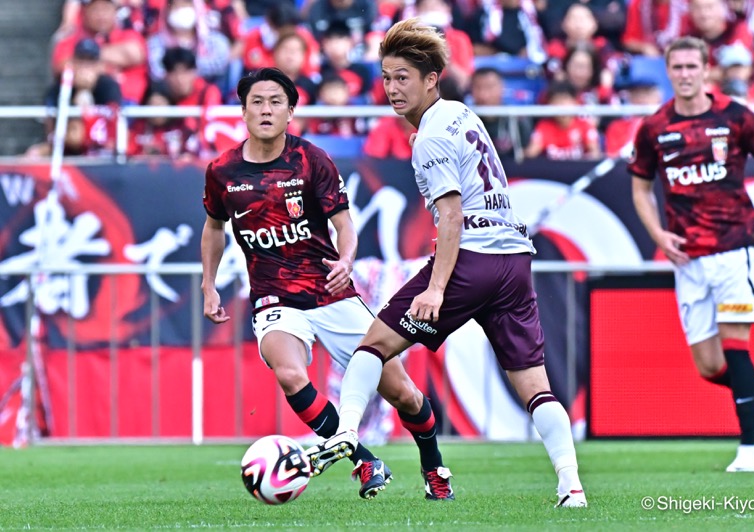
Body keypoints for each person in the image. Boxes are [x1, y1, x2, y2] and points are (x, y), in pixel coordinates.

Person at [305, 18, 587, 508]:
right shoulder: (459, 113)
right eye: (387, 77)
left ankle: (345, 432)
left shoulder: (430, 136)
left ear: (431, 78)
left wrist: (435, 289)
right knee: (536, 387)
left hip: (471, 261)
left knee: (372, 346)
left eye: (403, 78)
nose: (392, 89)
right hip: (514, 262)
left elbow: (451, 216)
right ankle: (571, 485)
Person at [201, 67, 451, 500]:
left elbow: (344, 225)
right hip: (274, 297)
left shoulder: (311, 159)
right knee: (290, 374)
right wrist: (209, 284)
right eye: (256, 102)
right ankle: (364, 460)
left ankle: (434, 469)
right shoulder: (222, 171)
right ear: (242, 111)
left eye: (275, 102)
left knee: (404, 394)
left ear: (291, 111)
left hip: (329, 291)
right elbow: (213, 229)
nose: (265, 109)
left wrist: (347, 259)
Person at [628, 36, 754, 473]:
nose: (684, 74)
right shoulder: (654, 127)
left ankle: (749, 450)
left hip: (734, 247)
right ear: (668, 71)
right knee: (708, 366)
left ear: (706, 70)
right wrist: (658, 235)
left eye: (691, 66)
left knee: (736, 345)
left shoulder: (734, 115)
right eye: (676, 67)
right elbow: (640, 186)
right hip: (686, 257)